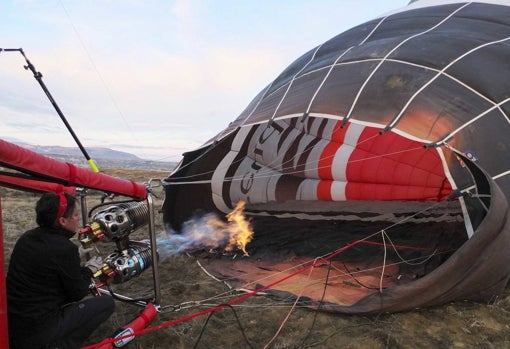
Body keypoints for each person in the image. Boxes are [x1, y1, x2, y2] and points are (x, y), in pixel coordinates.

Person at [7, 192, 115, 349]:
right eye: (76, 215)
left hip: (14, 324)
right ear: (62, 220)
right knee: (106, 303)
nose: (79, 219)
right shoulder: (64, 249)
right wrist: (88, 270)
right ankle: (60, 345)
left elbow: (45, 264)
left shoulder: (27, 238)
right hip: (39, 329)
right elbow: (77, 292)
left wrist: (73, 257)